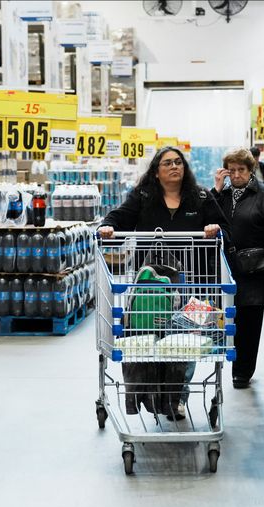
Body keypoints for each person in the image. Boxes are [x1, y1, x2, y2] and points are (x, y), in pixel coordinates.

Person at [99, 146, 230, 420]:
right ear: (156, 172)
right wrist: (108, 226)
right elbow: (120, 216)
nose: (174, 167)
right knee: (152, 338)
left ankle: (177, 399)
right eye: (168, 163)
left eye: (179, 162)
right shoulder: (143, 196)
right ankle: (151, 396)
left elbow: (222, 225)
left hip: (194, 282)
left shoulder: (202, 196)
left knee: (185, 340)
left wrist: (214, 228)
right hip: (151, 284)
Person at [213, 148, 264, 388]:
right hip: (226, 268)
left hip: (256, 269)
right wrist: (216, 188)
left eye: (240, 170)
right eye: (231, 170)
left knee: (250, 322)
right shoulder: (221, 196)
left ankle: (242, 371)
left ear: (250, 170)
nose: (235, 175)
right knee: (230, 320)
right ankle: (234, 365)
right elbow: (207, 218)